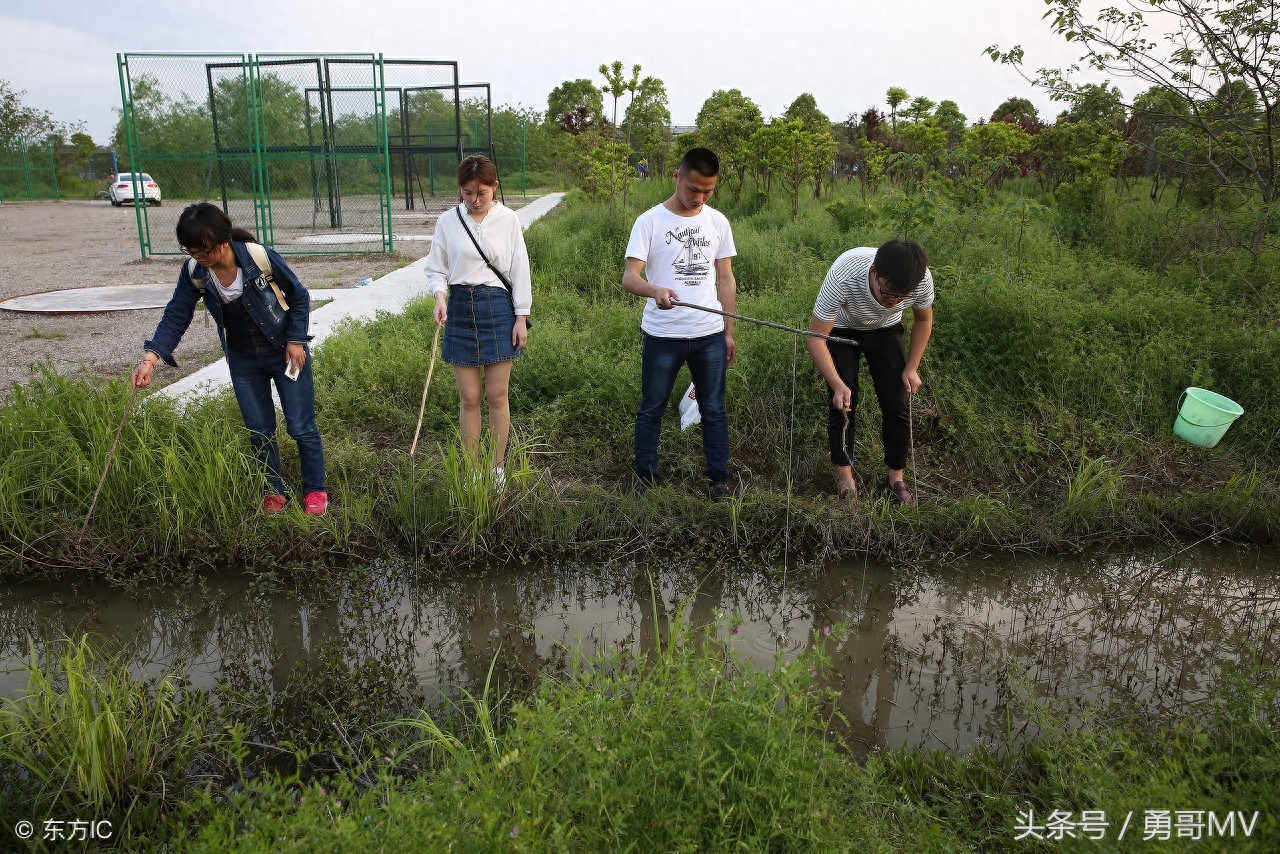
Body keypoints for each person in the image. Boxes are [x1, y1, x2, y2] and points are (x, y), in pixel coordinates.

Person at [131, 203, 327, 515]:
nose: (198, 257)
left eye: (203, 250)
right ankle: (273, 491)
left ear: (223, 243)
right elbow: (176, 314)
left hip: (285, 353)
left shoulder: (258, 257)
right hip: (243, 360)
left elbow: (299, 296)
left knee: (301, 426)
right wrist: (150, 358)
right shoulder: (195, 271)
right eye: (190, 250)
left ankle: (315, 489)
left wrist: (296, 341)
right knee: (260, 430)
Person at [622, 147, 738, 500]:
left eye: (708, 191)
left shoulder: (718, 222)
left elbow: (726, 279)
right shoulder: (650, 221)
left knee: (714, 408)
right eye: (693, 189)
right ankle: (645, 477)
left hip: (709, 336)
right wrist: (654, 289)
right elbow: (630, 277)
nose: (699, 198)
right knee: (651, 406)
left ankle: (719, 480)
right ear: (677, 177)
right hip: (663, 335)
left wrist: (728, 331)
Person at [426, 155, 531, 486]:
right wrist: (440, 297)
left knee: (497, 395)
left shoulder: (508, 220)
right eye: (468, 192)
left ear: (494, 187)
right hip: (459, 307)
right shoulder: (447, 221)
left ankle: (497, 467)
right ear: (460, 189)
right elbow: (436, 267)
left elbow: (519, 270)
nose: (474, 200)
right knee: (469, 398)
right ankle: (472, 469)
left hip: (497, 308)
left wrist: (520, 316)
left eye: (482, 192)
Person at [806, 238, 934, 505]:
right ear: (874, 273)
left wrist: (912, 368)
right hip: (841, 328)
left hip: (886, 331)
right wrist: (838, 384)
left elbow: (923, 319)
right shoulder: (844, 275)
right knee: (843, 403)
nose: (894, 301)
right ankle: (845, 478)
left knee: (897, 401)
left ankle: (896, 478)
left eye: (903, 297)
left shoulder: (919, 280)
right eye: (888, 293)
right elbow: (816, 338)